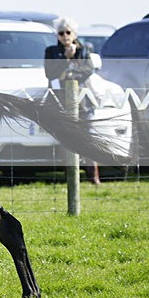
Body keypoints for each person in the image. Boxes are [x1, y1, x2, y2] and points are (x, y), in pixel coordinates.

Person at [44, 17, 100, 184]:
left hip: (83, 101)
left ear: (74, 34)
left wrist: (68, 73)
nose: (65, 36)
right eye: (61, 33)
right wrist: (66, 60)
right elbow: (50, 72)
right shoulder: (51, 52)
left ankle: (94, 177)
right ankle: (70, 178)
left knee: (88, 137)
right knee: (66, 139)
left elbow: (88, 70)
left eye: (68, 32)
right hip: (61, 101)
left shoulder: (84, 50)